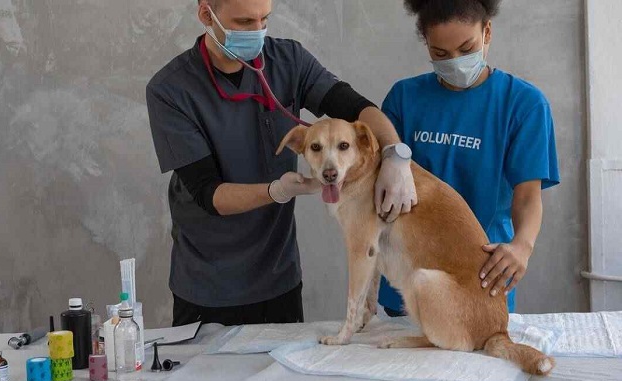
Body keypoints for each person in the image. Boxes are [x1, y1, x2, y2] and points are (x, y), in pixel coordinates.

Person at [146, 0, 418, 327]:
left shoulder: (288, 61)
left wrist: (395, 155)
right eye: (244, 22)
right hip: (208, 283)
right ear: (207, 15)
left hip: (277, 277)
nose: (257, 32)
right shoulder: (171, 90)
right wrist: (277, 191)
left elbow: (358, 108)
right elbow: (207, 193)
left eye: (264, 19)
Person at [378, 0, 560, 316]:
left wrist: (521, 247)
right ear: (426, 44)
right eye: (441, 54)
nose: (456, 63)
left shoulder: (524, 105)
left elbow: (528, 198)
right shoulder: (404, 99)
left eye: (467, 49)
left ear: (487, 31)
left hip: (482, 277)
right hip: (410, 275)